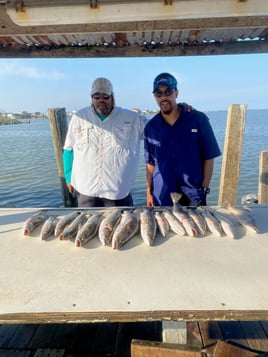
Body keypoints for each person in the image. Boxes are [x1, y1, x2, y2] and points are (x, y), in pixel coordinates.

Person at [62, 77, 147, 207]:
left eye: (105, 96)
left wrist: (177, 110)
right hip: (85, 189)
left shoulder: (132, 118)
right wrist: (68, 177)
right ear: (91, 97)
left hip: (118, 192)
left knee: (122, 226)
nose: (101, 100)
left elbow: (158, 130)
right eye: (96, 96)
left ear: (112, 97)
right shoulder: (79, 117)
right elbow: (68, 149)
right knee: (86, 225)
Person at [144, 72, 221, 207]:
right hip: (162, 195)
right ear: (155, 97)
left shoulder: (198, 119)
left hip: (194, 194)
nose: (164, 97)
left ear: (176, 93)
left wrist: (204, 189)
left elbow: (209, 157)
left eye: (168, 91)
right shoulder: (151, 127)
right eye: (159, 93)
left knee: (196, 228)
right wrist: (149, 191)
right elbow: (150, 163)